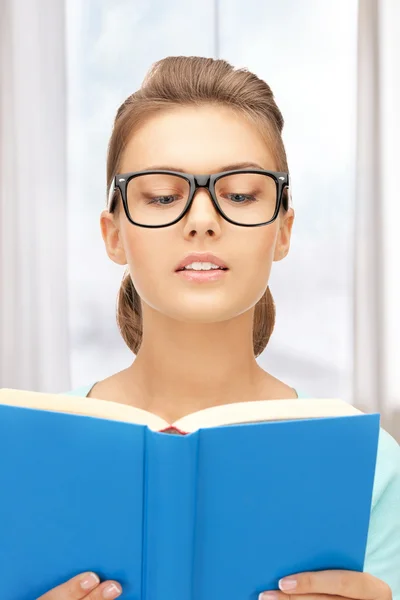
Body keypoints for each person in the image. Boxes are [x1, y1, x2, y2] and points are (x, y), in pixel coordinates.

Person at [47, 56, 399, 600]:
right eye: (162, 196)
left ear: (282, 231)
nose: (202, 219)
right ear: (113, 234)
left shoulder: (371, 466)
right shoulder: (22, 453)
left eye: (239, 195)